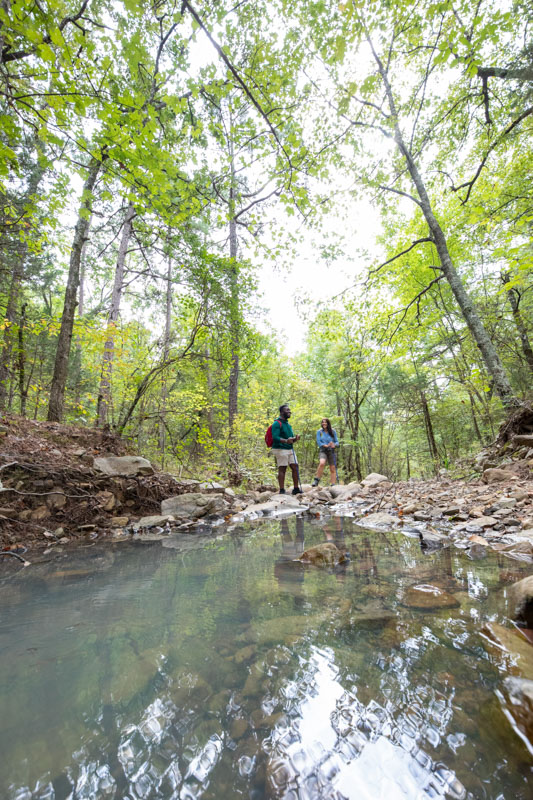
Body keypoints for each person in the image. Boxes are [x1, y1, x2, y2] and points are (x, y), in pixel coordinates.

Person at [271, 403, 302, 495]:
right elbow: (275, 437)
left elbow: (290, 440)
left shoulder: (288, 425)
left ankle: (296, 489)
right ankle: (282, 490)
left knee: (295, 467)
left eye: (289, 410)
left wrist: (295, 439)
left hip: (289, 449)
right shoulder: (277, 423)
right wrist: (285, 441)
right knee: (283, 468)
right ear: (281, 412)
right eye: (287, 410)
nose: (289, 411)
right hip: (280, 449)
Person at [311, 417, 339, 487]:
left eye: (325, 422)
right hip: (323, 450)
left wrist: (334, 444)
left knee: (332, 468)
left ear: (328, 423)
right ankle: (316, 480)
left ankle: (333, 484)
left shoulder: (333, 431)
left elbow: (337, 442)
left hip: (331, 451)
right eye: (323, 422)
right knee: (322, 463)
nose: (324, 423)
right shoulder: (319, 432)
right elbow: (319, 442)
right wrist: (325, 445)